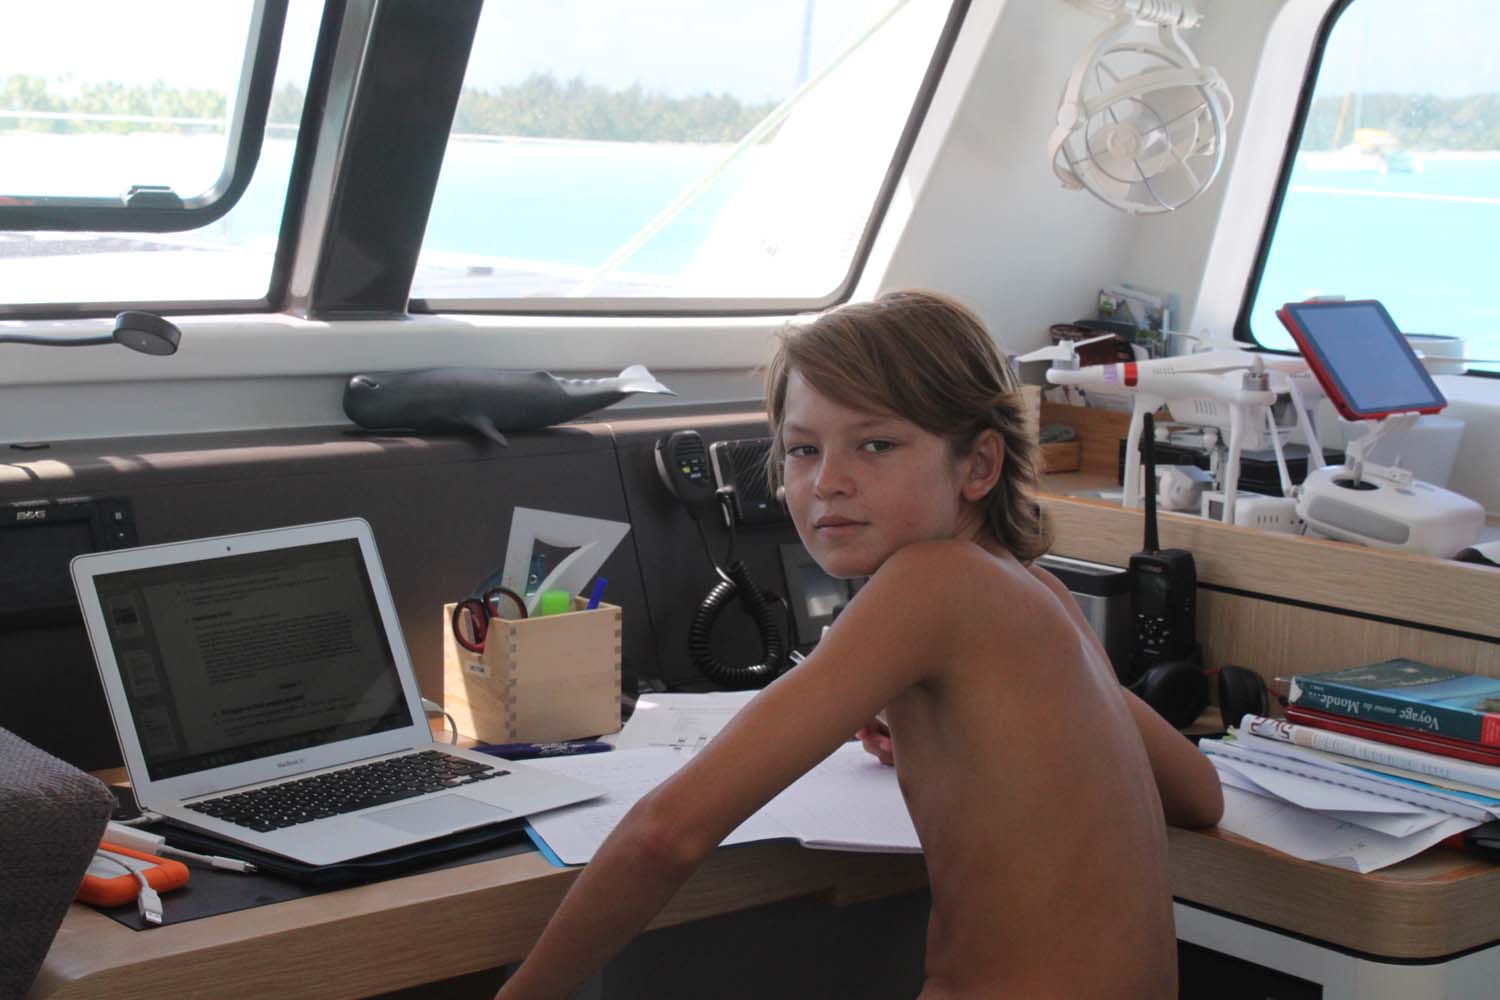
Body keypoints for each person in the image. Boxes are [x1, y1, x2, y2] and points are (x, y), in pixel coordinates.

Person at [497, 289, 1223, 999]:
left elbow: (666, 834)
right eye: (802, 450)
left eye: (876, 444)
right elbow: (1199, 794)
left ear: (979, 465)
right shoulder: (1039, 589)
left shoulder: (931, 582)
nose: (827, 482)